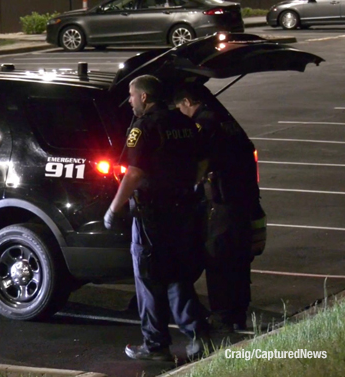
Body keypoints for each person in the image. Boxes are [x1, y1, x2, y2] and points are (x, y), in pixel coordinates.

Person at [104, 75, 209, 362]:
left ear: (145, 97)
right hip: (184, 210)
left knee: (149, 277)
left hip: (153, 213)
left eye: (132, 95)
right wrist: (189, 184)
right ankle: (199, 335)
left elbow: (135, 173)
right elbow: (203, 160)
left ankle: (155, 345)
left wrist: (114, 208)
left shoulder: (144, 127)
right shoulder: (183, 123)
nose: (129, 100)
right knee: (178, 275)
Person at [173, 83, 262, 332]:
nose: (180, 112)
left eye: (180, 107)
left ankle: (223, 317)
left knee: (219, 259)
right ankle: (238, 312)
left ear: (188, 101)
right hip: (243, 199)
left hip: (222, 203)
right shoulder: (227, 120)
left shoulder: (204, 123)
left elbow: (199, 160)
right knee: (240, 259)